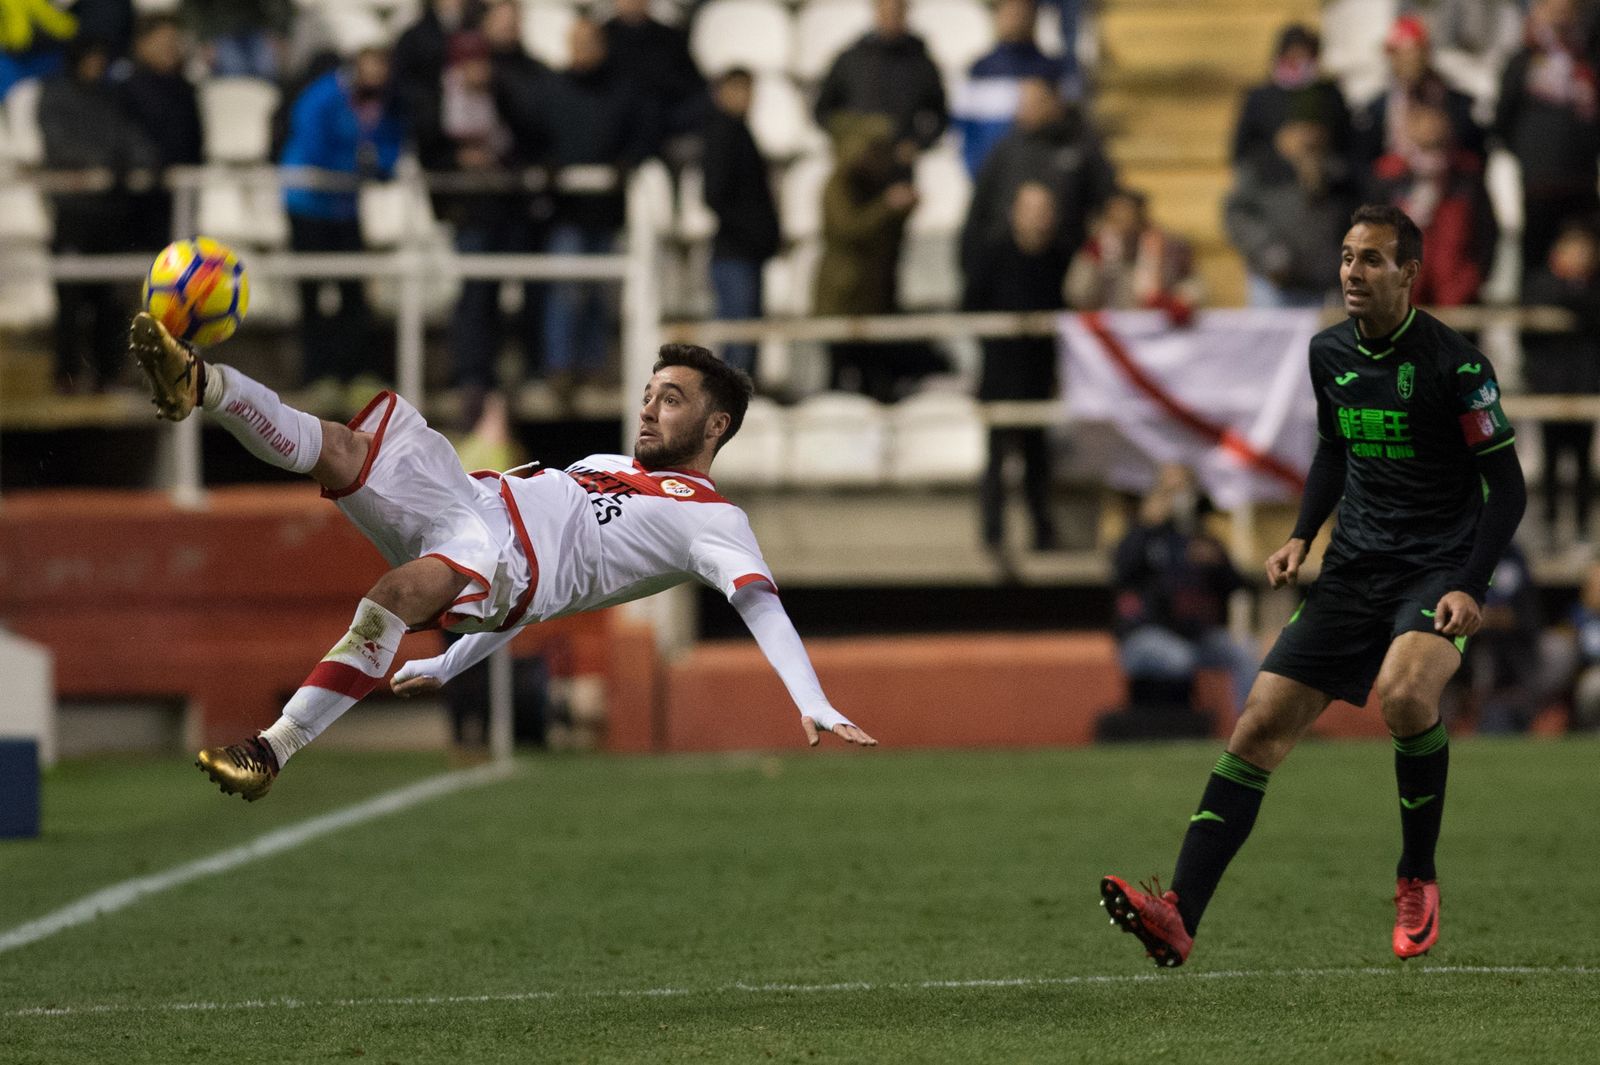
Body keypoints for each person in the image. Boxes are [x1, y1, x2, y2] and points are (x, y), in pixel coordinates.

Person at [125, 316, 877, 802]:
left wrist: (807, 696)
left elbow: (759, 603)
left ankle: (273, 747)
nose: (648, 406)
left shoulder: (715, 519)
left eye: (671, 398)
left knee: (399, 588)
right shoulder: (612, 458)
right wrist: (451, 664)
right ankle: (203, 383)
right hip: (475, 502)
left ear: (715, 425)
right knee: (346, 448)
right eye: (648, 392)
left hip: (507, 559)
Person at [1100, 204, 1527, 968]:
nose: (1352, 272)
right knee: (1258, 724)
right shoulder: (1328, 353)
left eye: (1371, 259)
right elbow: (1332, 450)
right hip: (1354, 567)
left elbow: (1509, 487)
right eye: (1346, 256)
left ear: (1408, 272)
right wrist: (1301, 533)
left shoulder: (1455, 366)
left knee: (1404, 695)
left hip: (1436, 568)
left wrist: (1472, 581)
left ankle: (1416, 875)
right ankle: (1177, 914)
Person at [280, 40, 406, 393]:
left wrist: (373, 165)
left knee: (353, 291)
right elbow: (313, 146)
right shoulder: (322, 97)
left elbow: (389, 150)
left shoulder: (387, 104)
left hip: (345, 207)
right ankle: (316, 376)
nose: (377, 72)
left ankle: (353, 374)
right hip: (308, 205)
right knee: (313, 292)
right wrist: (359, 164)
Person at [40, 36, 159, 394]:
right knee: (70, 300)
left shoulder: (109, 100)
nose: (97, 65)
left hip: (108, 214)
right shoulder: (55, 98)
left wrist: (126, 166)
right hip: (73, 213)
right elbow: (60, 148)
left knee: (109, 300)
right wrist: (110, 165)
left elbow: (137, 146)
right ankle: (66, 376)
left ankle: (107, 375)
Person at [962, 182, 1067, 555]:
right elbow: (971, 306)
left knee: (1038, 458)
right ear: (1015, 214)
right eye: (1031, 210)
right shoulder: (993, 255)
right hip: (1000, 372)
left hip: (1039, 373)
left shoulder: (1058, 258)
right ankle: (993, 534)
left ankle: (1042, 531)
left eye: (1044, 211)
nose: (1039, 219)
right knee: (996, 457)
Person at [1110, 464, 1255, 720]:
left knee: (1244, 652)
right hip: (1147, 633)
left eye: (1182, 489)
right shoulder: (1143, 535)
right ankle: (1178, 724)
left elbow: (1237, 586)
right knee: (1179, 658)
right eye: (1169, 490)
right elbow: (1122, 570)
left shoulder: (1201, 538)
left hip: (1195, 635)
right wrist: (1147, 525)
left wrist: (1218, 563)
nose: (1177, 499)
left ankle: (1253, 728)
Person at [960, 77, 1116, 279]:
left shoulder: (1082, 144)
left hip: (1065, 263)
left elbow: (1105, 198)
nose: (1025, 109)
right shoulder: (1006, 148)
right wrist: (970, 260)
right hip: (1006, 263)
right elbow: (980, 206)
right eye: (1022, 103)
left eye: (1034, 102)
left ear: (1055, 101)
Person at [1493, 0, 1600, 288]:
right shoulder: (1523, 60)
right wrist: (1532, 154)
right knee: (1535, 266)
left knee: (1585, 266)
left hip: (1581, 184)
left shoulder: (1588, 58)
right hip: (1538, 186)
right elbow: (1503, 119)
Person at [1367, 101, 1497, 307]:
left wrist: (1471, 281)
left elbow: (1487, 233)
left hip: (1457, 297)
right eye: (1425, 143)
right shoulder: (1388, 178)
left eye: (1437, 142)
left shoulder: (1467, 177)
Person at [1521, 217, 1600, 550]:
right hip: (1548, 385)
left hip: (1584, 385)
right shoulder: (1539, 283)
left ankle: (1584, 529)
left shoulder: (1593, 288)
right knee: (1551, 459)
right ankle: (1551, 527)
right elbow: (1529, 316)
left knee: (1583, 462)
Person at [1225, 116, 1358, 309]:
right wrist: (1265, 248)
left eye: (1314, 129)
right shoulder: (1261, 167)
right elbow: (1237, 214)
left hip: (1327, 288)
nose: (1307, 138)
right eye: (1299, 130)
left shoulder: (1341, 171)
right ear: (1283, 133)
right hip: (1273, 287)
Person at [702, 67, 780, 379]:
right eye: (737, 90)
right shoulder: (723, 134)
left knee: (747, 337)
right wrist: (754, 232)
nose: (745, 98)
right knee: (739, 343)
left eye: (748, 90)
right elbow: (715, 195)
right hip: (735, 252)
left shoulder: (739, 132)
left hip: (745, 251)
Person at [813, 0, 947, 161]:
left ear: (906, 13)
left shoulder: (921, 63)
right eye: (886, 11)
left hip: (898, 166)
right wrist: (846, 138)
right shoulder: (851, 60)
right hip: (855, 164)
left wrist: (917, 143)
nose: (891, 18)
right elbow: (822, 111)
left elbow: (940, 115)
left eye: (897, 12)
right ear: (876, 11)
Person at [1352, 15, 1485, 175]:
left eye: (1415, 54)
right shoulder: (1376, 109)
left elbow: (1477, 153)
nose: (1410, 62)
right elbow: (1363, 162)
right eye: (1402, 55)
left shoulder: (1459, 103)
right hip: (1396, 193)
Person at [951, 0, 1068, 177]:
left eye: (1022, 10)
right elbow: (964, 133)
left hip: (1040, 178)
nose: (1016, 17)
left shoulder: (1052, 70)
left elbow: (1067, 128)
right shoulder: (979, 70)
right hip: (992, 176)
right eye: (1009, 10)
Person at [116, 14, 203, 251]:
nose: (171, 49)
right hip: (140, 198)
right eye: (163, 42)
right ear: (142, 44)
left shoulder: (186, 89)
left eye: (174, 42)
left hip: (181, 193)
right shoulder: (125, 90)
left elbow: (194, 141)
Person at [1065, 187, 1202, 323]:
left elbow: (1194, 285)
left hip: (1159, 327)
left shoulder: (1169, 248)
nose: (1123, 226)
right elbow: (1077, 295)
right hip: (1111, 328)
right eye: (1116, 219)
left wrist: (1180, 300)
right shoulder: (1094, 250)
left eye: (1129, 217)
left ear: (1142, 220)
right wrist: (1095, 265)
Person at [1230, 24, 1353, 172]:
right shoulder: (1259, 98)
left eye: (1304, 57)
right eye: (1292, 57)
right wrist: (1280, 146)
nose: (1298, 63)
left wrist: (1319, 139)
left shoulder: (1330, 95)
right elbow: (1241, 152)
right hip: (1271, 180)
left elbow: (1349, 145)